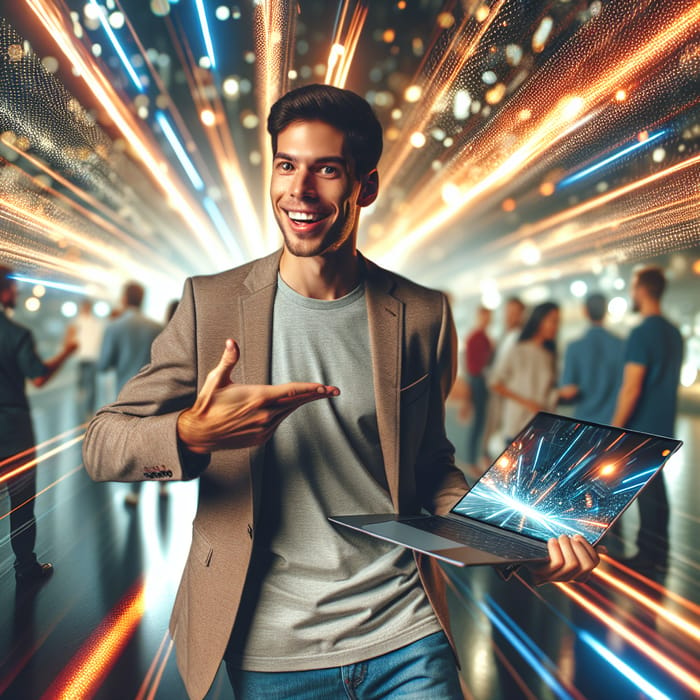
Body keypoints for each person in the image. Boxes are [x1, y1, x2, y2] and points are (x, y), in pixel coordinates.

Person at [83, 85, 599, 700]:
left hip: (406, 633)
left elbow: (431, 464)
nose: (299, 190)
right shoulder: (210, 304)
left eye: (326, 170)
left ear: (366, 186)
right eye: (285, 165)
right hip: (272, 647)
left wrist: (517, 547)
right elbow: (101, 443)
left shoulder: (423, 314)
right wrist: (191, 433)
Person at [0, 265, 78, 586]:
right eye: (12, 288)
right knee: (20, 502)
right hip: (14, 429)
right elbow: (40, 376)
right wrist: (68, 351)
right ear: (3, 292)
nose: (17, 293)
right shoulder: (16, 334)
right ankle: (26, 568)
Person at [611, 266, 683, 574]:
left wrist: (614, 427)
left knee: (647, 490)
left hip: (642, 424)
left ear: (641, 290)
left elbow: (632, 386)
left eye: (633, 287)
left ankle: (648, 554)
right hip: (665, 422)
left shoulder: (641, 333)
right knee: (656, 489)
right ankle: (658, 553)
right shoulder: (674, 332)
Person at [96, 281, 162, 505]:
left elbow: (103, 364)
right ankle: (154, 484)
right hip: (152, 393)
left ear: (124, 298)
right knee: (148, 441)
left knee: (131, 445)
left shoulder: (114, 327)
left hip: (125, 394)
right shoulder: (156, 327)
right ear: (142, 299)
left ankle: (133, 491)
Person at [490, 301, 561, 443]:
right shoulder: (517, 350)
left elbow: (548, 392)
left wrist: (560, 394)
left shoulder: (549, 356)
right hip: (517, 425)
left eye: (558, 322)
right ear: (540, 320)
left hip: (541, 429)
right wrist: (527, 403)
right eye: (553, 321)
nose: (556, 326)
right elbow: (495, 383)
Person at [559, 293, 624, 423]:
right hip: (614, 421)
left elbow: (568, 389)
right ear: (606, 311)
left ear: (585, 311)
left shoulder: (574, 347)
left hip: (584, 421)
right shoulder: (622, 345)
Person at [483, 296, 525, 455]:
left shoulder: (520, 339)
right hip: (499, 393)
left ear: (522, 315)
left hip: (509, 395)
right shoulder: (504, 337)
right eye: (508, 312)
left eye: (514, 313)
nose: (509, 316)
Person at [461, 305, 493, 473]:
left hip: (482, 381)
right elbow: (470, 367)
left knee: (482, 422)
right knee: (478, 422)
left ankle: (478, 457)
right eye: (485, 317)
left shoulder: (485, 338)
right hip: (477, 381)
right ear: (479, 317)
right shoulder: (474, 338)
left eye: (489, 317)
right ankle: (471, 460)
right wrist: (467, 397)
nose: (487, 320)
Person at [71, 298, 105, 421]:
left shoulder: (84, 322)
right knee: (87, 385)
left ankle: (86, 410)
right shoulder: (90, 322)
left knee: (87, 386)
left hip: (89, 357)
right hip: (85, 357)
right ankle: (85, 411)